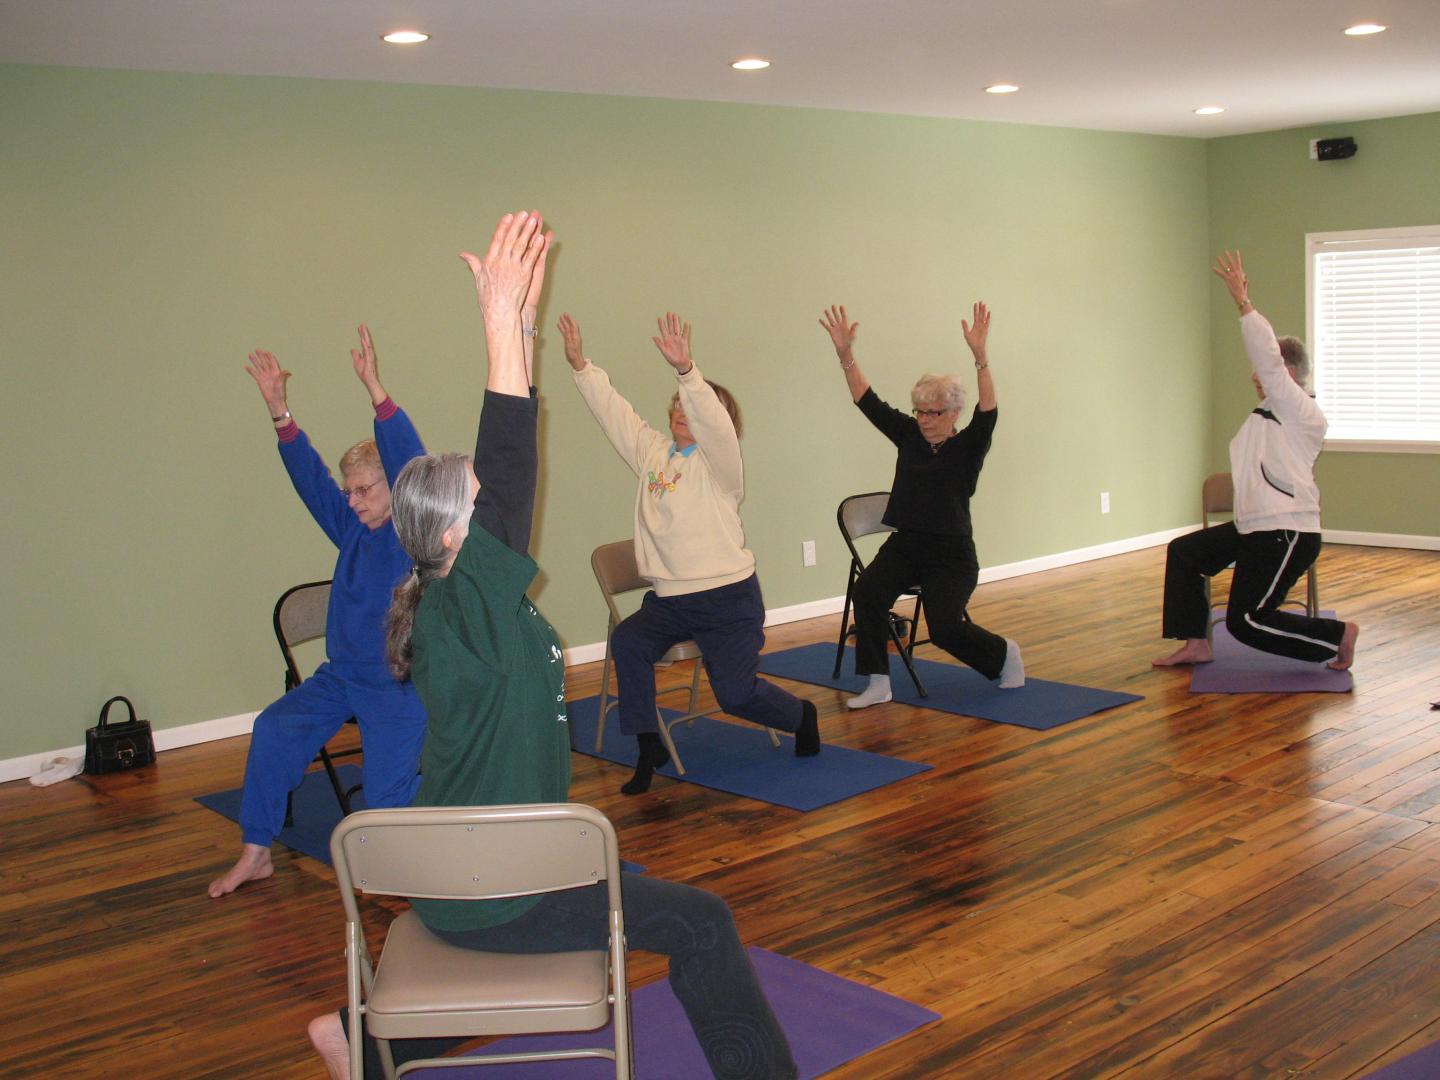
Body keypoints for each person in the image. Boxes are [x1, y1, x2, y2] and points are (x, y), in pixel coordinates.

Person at [308, 211, 798, 1080]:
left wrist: (524, 330)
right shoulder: (467, 606)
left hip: (476, 863)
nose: (491, 500)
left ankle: (362, 1044)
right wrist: (503, 331)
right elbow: (511, 458)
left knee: (624, 877)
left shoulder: (447, 602)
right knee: (704, 920)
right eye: (476, 500)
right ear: (455, 534)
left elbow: (500, 479)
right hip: (498, 886)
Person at [557, 310, 820, 795]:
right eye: (677, 403)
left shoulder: (721, 467)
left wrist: (688, 372)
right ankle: (647, 745)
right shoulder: (653, 454)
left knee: (736, 695)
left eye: (691, 406)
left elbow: (714, 426)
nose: (682, 409)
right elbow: (616, 415)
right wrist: (581, 368)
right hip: (670, 602)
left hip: (728, 601)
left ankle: (801, 716)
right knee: (629, 642)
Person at [207, 326, 428, 899]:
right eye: (349, 490)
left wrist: (377, 391)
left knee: (382, 805)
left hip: (396, 685)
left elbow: (410, 458)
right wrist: (280, 411)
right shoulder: (351, 525)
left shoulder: (413, 532)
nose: (350, 500)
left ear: (394, 487)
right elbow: (309, 478)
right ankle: (256, 852)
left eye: (362, 489)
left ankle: (416, 875)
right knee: (273, 728)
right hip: (341, 678)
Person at [1153, 251, 1359, 670]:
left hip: (1286, 530)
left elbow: (1265, 357)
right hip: (1255, 526)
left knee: (1245, 622)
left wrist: (1243, 302)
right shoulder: (1268, 414)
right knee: (1185, 553)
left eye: (1265, 370)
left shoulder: (1299, 409)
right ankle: (1197, 643)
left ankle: (1337, 637)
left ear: (1285, 373)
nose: (1254, 375)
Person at [818, 302, 1024, 709]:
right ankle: (878, 682)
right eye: (920, 411)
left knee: (945, 629)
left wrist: (981, 358)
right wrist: (845, 355)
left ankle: (1003, 655)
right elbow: (867, 400)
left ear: (954, 413)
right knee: (868, 592)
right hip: (907, 546)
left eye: (935, 412)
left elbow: (989, 412)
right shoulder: (909, 435)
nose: (925, 419)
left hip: (952, 555)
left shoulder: (968, 447)